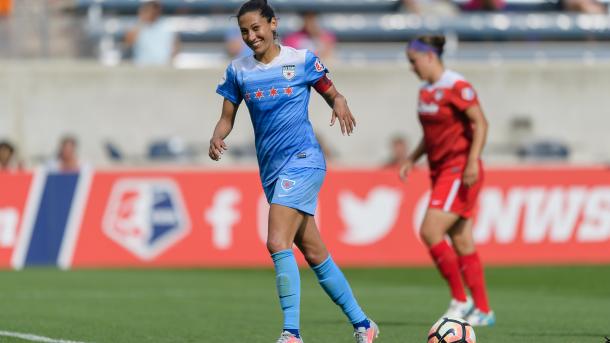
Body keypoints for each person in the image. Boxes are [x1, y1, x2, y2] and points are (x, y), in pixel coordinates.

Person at [209, 1, 378, 342]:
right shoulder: (238, 70)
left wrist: (340, 100)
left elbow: (331, 91)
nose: (251, 36)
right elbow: (228, 117)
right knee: (314, 253)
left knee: (276, 241)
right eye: (244, 31)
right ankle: (364, 325)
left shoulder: (300, 60)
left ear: (273, 24)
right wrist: (216, 135)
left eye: (256, 28)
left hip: (304, 160)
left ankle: (291, 333)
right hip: (271, 171)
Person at [400, 35, 494, 326]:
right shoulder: (425, 91)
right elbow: (431, 136)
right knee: (462, 239)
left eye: (413, 61)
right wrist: (412, 158)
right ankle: (482, 310)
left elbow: (481, 122)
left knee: (430, 231)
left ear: (429, 56)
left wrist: (471, 162)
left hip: (459, 169)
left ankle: (460, 300)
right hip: (440, 171)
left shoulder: (457, 86)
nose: (411, 67)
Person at [124, 0, 179, 66]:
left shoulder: (168, 26)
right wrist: (141, 20)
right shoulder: (137, 27)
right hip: (142, 67)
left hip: (163, 67)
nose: (152, 12)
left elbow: (175, 48)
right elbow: (128, 43)